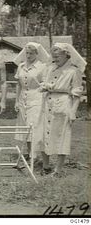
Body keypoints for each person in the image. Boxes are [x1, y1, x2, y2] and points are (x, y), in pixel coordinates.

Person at [36, 43, 85, 177]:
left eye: (57, 56)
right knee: (43, 134)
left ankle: (58, 170)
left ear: (66, 55)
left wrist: (73, 112)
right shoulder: (50, 68)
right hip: (47, 103)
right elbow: (42, 82)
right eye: (53, 56)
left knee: (61, 135)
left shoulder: (73, 71)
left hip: (63, 104)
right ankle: (46, 166)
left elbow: (77, 94)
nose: (55, 59)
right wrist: (44, 86)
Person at [13, 42, 49, 160]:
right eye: (27, 53)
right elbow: (18, 84)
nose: (28, 56)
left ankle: (35, 155)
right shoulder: (21, 66)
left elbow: (45, 82)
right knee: (25, 126)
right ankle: (29, 154)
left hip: (37, 98)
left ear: (36, 54)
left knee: (33, 126)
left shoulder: (42, 66)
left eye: (31, 53)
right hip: (23, 98)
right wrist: (16, 101)